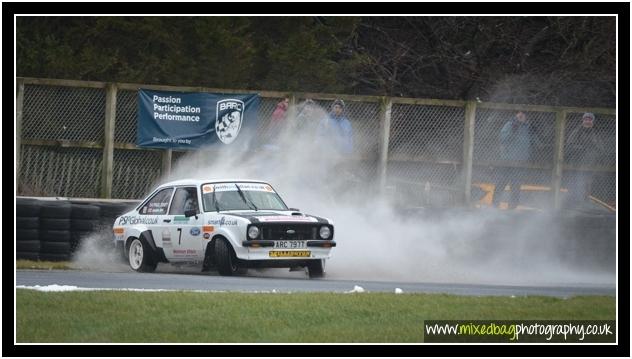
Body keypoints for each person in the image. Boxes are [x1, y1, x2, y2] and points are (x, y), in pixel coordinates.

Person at [491, 111, 538, 209]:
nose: (521, 117)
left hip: (520, 162)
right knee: (501, 184)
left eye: (523, 115)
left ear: (526, 116)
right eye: (519, 114)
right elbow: (502, 139)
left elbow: (537, 144)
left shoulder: (528, 127)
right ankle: (494, 207)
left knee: (516, 186)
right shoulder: (510, 125)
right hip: (507, 161)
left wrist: (534, 132)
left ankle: (512, 209)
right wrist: (513, 129)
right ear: (516, 115)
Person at [564, 112, 604, 205]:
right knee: (575, 183)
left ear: (592, 121)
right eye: (586, 119)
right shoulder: (576, 131)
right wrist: (582, 148)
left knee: (587, 184)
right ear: (583, 120)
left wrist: (593, 148)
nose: (588, 121)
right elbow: (569, 146)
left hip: (590, 165)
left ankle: (585, 202)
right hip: (576, 164)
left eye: (590, 119)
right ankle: (573, 203)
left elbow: (601, 149)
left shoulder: (596, 134)